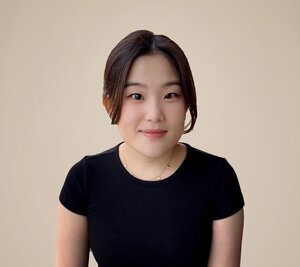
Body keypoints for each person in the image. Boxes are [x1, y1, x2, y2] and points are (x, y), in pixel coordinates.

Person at [56, 30, 244, 267]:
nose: (154, 114)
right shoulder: (84, 179)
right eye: (136, 95)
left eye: (170, 95)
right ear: (109, 104)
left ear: (186, 102)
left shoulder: (218, 178)